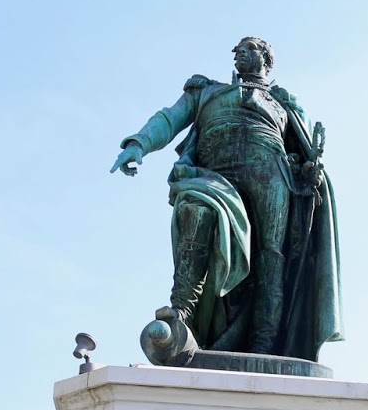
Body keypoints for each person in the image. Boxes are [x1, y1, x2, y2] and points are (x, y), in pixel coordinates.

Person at [111, 37, 342, 363]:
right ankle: (181, 313)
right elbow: (169, 118)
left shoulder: (284, 103)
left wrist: (310, 169)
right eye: (237, 50)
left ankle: (265, 345)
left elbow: (303, 153)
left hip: (270, 169)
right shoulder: (206, 91)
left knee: (272, 255)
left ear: (266, 59)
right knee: (194, 210)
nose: (239, 53)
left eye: (249, 48)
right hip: (214, 171)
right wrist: (139, 143)